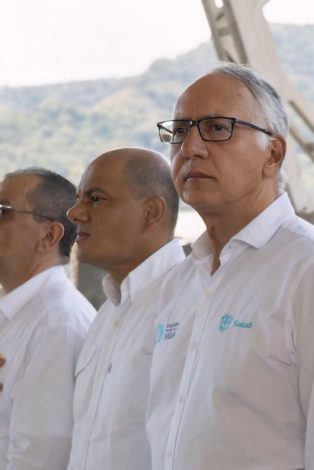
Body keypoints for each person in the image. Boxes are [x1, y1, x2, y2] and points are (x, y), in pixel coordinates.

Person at [147, 63, 314, 470]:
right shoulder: (179, 282)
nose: (191, 148)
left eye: (218, 128)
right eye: (180, 132)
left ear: (273, 154)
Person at [66, 148, 185, 470]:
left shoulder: (188, 305)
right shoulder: (108, 313)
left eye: (96, 199)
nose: (75, 213)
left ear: (151, 213)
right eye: (79, 198)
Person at [0, 168, 95, 469]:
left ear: (49, 235)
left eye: (2, 211)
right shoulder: (16, 311)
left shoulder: (58, 325)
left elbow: (41, 458)